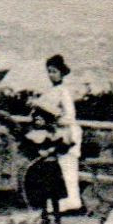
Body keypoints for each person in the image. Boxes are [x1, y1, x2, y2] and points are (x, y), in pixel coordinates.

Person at [39, 54, 84, 215]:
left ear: (61, 73)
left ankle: (72, 202)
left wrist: (54, 116)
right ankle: (59, 202)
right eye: (49, 71)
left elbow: (70, 116)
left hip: (67, 134)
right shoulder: (52, 90)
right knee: (56, 170)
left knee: (68, 169)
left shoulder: (63, 91)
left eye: (54, 72)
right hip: (56, 133)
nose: (51, 75)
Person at [19, 106, 73, 224]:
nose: (38, 122)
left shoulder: (54, 133)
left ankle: (57, 219)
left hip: (53, 166)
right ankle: (45, 219)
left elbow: (64, 147)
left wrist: (53, 149)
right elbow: (26, 148)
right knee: (42, 193)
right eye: (36, 119)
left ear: (46, 120)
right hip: (40, 167)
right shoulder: (32, 134)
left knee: (54, 194)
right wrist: (38, 152)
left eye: (41, 119)